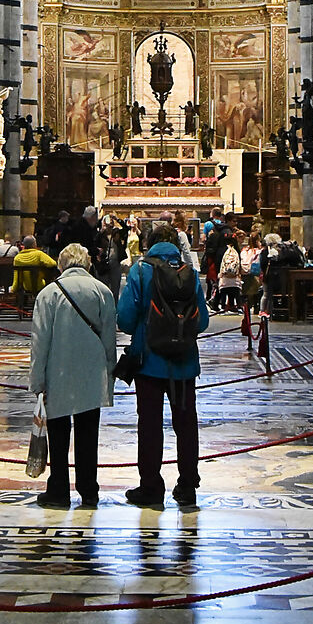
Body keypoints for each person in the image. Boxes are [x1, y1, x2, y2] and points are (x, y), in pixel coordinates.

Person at [117, 218, 209, 510]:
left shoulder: (140, 272)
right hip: (183, 363)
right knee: (186, 424)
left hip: (148, 362)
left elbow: (126, 320)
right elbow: (203, 321)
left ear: (149, 243)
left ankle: (151, 487)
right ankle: (187, 485)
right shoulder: (190, 273)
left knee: (150, 426)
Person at [28, 240, 117, 510]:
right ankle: (89, 490)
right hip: (92, 374)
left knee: (58, 434)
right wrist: (109, 376)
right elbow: (109, 339)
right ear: (87, 264)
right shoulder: (102, 291)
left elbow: (39, 341)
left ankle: (58, 490)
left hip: (59, 372)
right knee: (88, 434)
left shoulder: (49, 293)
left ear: (62, 264)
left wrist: (37, 380)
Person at [202, 213, 229, 302]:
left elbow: (204, 240)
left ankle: (210, 297)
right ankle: (219, 299)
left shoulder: (210, 229)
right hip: (219, 256)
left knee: (211, 278)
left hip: (212, 258)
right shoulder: (223, 231)